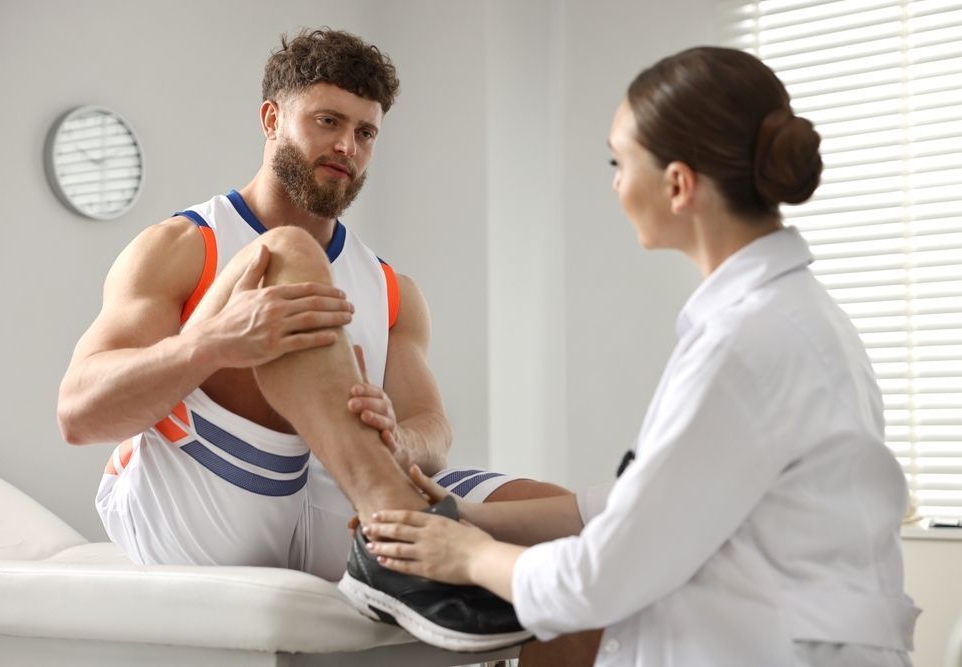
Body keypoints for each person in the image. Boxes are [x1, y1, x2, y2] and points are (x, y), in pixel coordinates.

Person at [358, 46, 921, 666]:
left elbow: (599, 577)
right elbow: (642, 504)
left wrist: (464, 554)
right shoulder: (792, 318)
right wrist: (465, 513)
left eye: (618, 162)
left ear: (678, 184)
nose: (616, 183)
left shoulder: (746, 344)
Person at [56, 27, 575, 655]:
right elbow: (78, 414)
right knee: (287, 253)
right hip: (207, 496)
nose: (346, 146)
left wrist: (397, 434)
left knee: (577, 540)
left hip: (335, 500)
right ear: (272, 118)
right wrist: (209, 345)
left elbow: (431, 429)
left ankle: (385, 527)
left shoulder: (391, 288)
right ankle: (394, 528)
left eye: (365, 132)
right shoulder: (182, 247)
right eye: (328, 120)